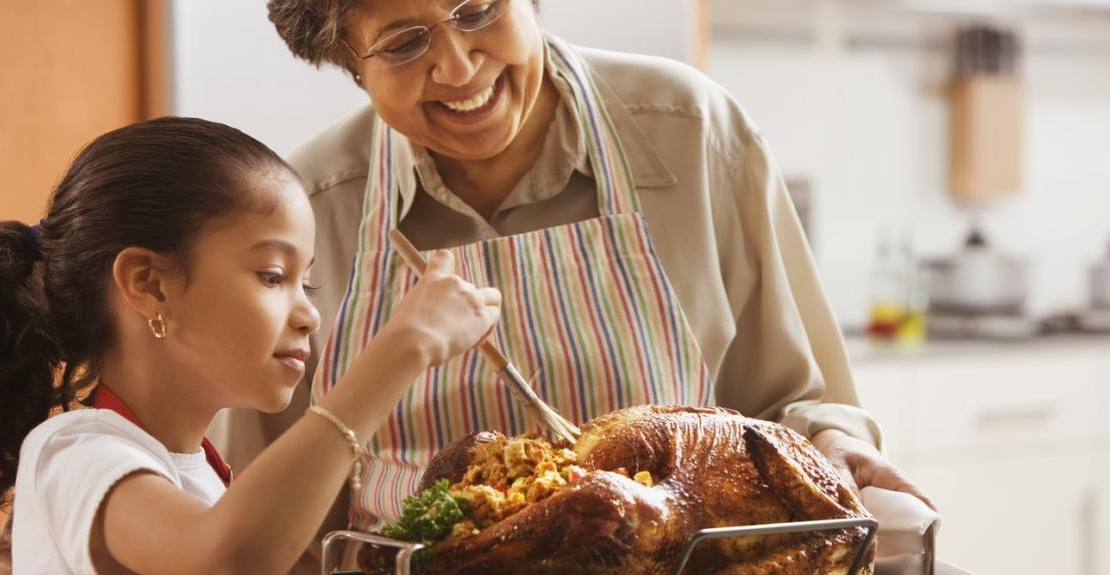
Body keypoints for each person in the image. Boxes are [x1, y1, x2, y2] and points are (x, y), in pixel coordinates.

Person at [246, 0, 933, 539]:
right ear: (346, 62)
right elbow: (260, 508)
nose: (458, 68)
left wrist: (834, 442)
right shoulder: (308, 209)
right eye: (404, 43)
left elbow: (792, 407)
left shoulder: (691, 133)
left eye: (480, 10)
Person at [0, 117, 499, 575]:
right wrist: (402, 352)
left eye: (309, 284)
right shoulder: (77, 454)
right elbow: (230, 558)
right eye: (272, 275)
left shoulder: (205, 476)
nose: (308, 314)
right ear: (149, 284)